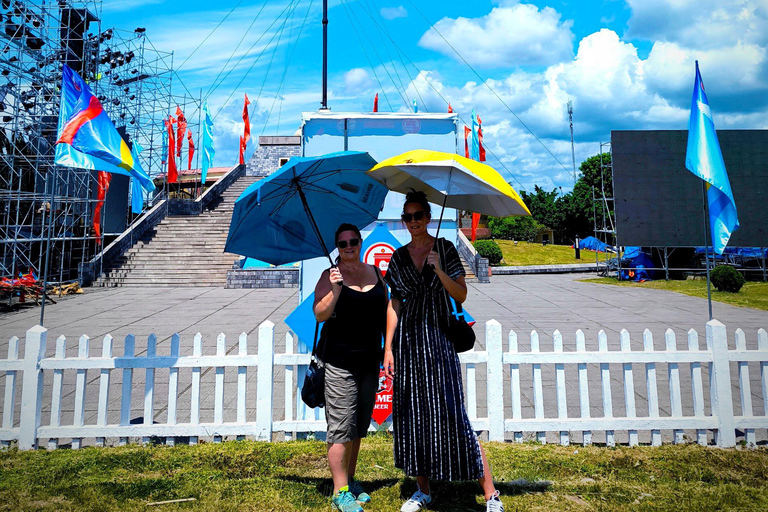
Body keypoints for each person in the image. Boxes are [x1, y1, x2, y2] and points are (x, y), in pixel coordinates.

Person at [383, 191, 504, 512]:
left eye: (418, 216)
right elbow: (394, 304)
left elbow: (461, 294)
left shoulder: (445, 250)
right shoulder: (397, 257)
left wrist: (438, 271)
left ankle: (490, 493)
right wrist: (388, 349)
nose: (413, 222)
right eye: (407, 217)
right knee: (411, 417)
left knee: (453, 415)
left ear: (429, 216)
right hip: (408, 345)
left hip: (439, 343)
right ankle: (423, 490)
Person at [314, 223, 388, 512]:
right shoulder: (329, 275)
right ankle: (340, 490)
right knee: (340, 428)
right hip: (340, 363)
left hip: (369, 362)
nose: (348, 247)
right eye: (342, 244)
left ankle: (351, 479)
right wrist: (334, 289)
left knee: (358, 427)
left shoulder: (375, 272)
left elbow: (386, 312)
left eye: (353, 241)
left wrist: (390, 349)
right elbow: (320, 314)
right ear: (337, 247)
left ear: (360, 242)